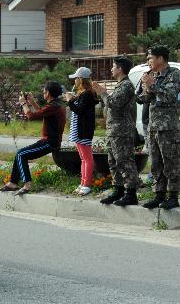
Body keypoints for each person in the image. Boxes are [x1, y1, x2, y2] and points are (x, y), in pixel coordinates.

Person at [1, 82, 67, 196]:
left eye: (44, 91)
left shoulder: (54, 106)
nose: (43, 93)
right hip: (48, 141)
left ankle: (27, 184)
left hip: (50, 142)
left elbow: (31, 116)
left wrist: (23, 103)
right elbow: (42, 112)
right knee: (20, 154)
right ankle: (13, 182)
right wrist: (31, 101)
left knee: (21, 155)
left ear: (48, 93)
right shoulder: (56, 105)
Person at [136, 45, 180, 210]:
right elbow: (144, 99)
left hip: (168, 128)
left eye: (150, 58)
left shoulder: (174, 74)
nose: (148, 61)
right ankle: (158, 195)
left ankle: (173, 196)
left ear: (161, 59)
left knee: (171, 162)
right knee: (156, 163)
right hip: (153, 126)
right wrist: (144, 86)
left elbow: (169, 96)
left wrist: (152, 85)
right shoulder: (152, 75)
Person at [95, 57, 138, 206]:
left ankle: (131, 193)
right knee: (113, 162)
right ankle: (118, 190)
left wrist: (103, 93)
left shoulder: (126, 86)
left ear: (120, 69)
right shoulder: (120, 85)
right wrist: (104, 94)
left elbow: (114, 104)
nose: (111, 69)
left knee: (125, 162)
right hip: (114, 131)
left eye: (113, 67)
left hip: (122, 131)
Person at [63, 67, 99, 195]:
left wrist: (69, 101)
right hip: (79, 129)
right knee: (83, 158)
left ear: (81, 79)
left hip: (84, 130)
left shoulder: (88, 94)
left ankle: (87, 183)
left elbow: (79, 110)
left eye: (76, 78)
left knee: (87, 158)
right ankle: (83, 182)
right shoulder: (83, 93)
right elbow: (79, 107)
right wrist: (72, 99)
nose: (75, 81)